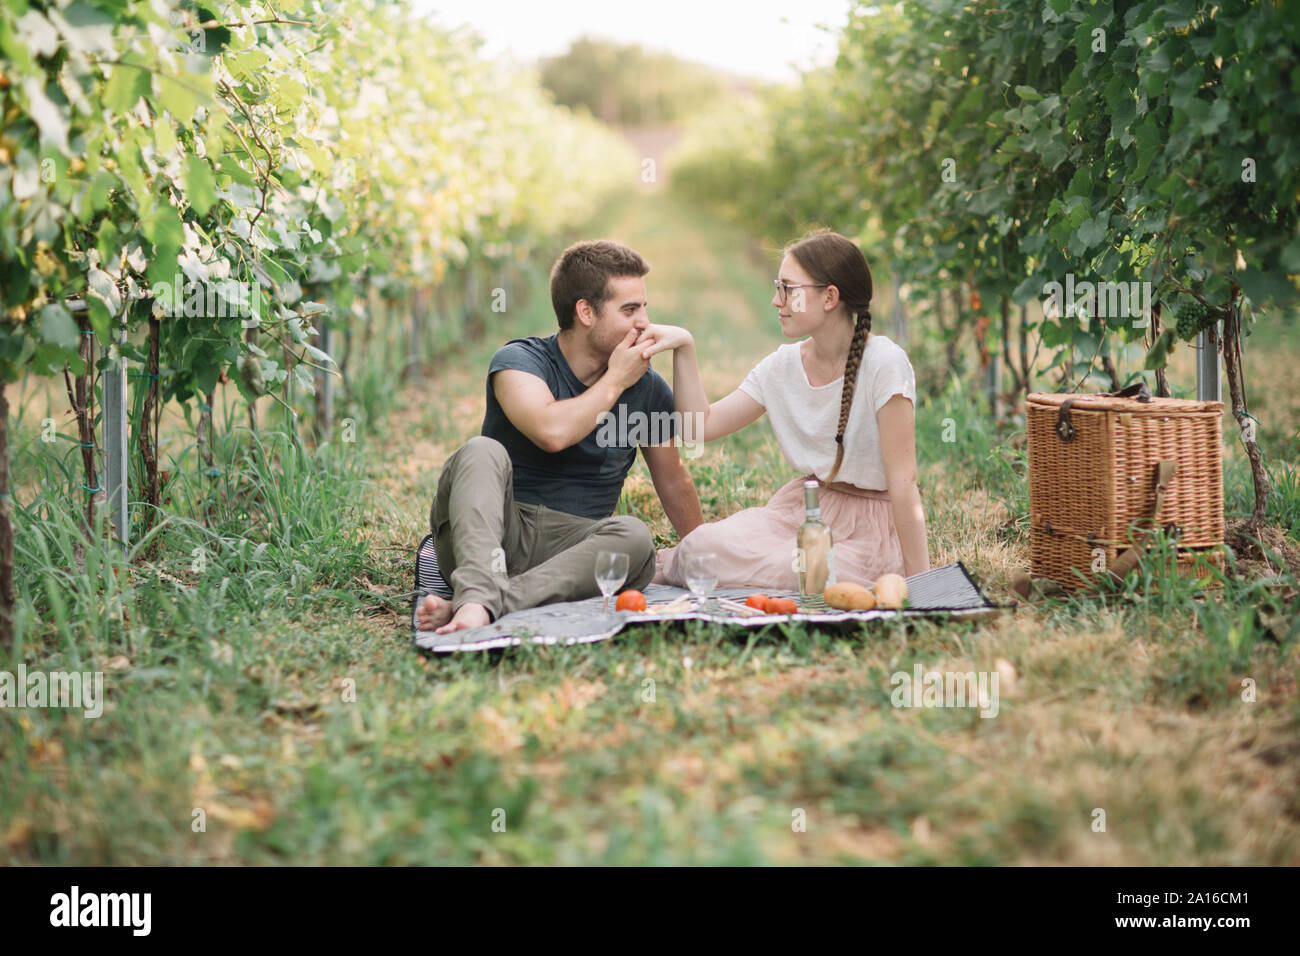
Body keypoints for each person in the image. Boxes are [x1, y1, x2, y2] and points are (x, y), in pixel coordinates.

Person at [417, 240, 704, 634]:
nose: (644, 322)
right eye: (630, 309)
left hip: (574, 551)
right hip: (494, 537)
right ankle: (483, 587)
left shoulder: (648, 388)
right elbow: (553, 432)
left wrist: (704, 553)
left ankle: (482, 602)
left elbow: (672, 479)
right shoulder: (519, 362)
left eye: (644, 307)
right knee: (480, 451)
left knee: (635, 537)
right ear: (585, 312)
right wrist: (616, 380)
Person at [646, 229, 929, 590]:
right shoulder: (781, 367)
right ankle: (680, 564)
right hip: (804, 510)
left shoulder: (884, 363)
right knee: (700, 547)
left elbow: (904, 485)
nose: (776, 300)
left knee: (803, 571)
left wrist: (923, 585)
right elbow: (698, 428)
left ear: (830, 297)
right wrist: (684, 346)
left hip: (870, 526)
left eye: (787, 289)